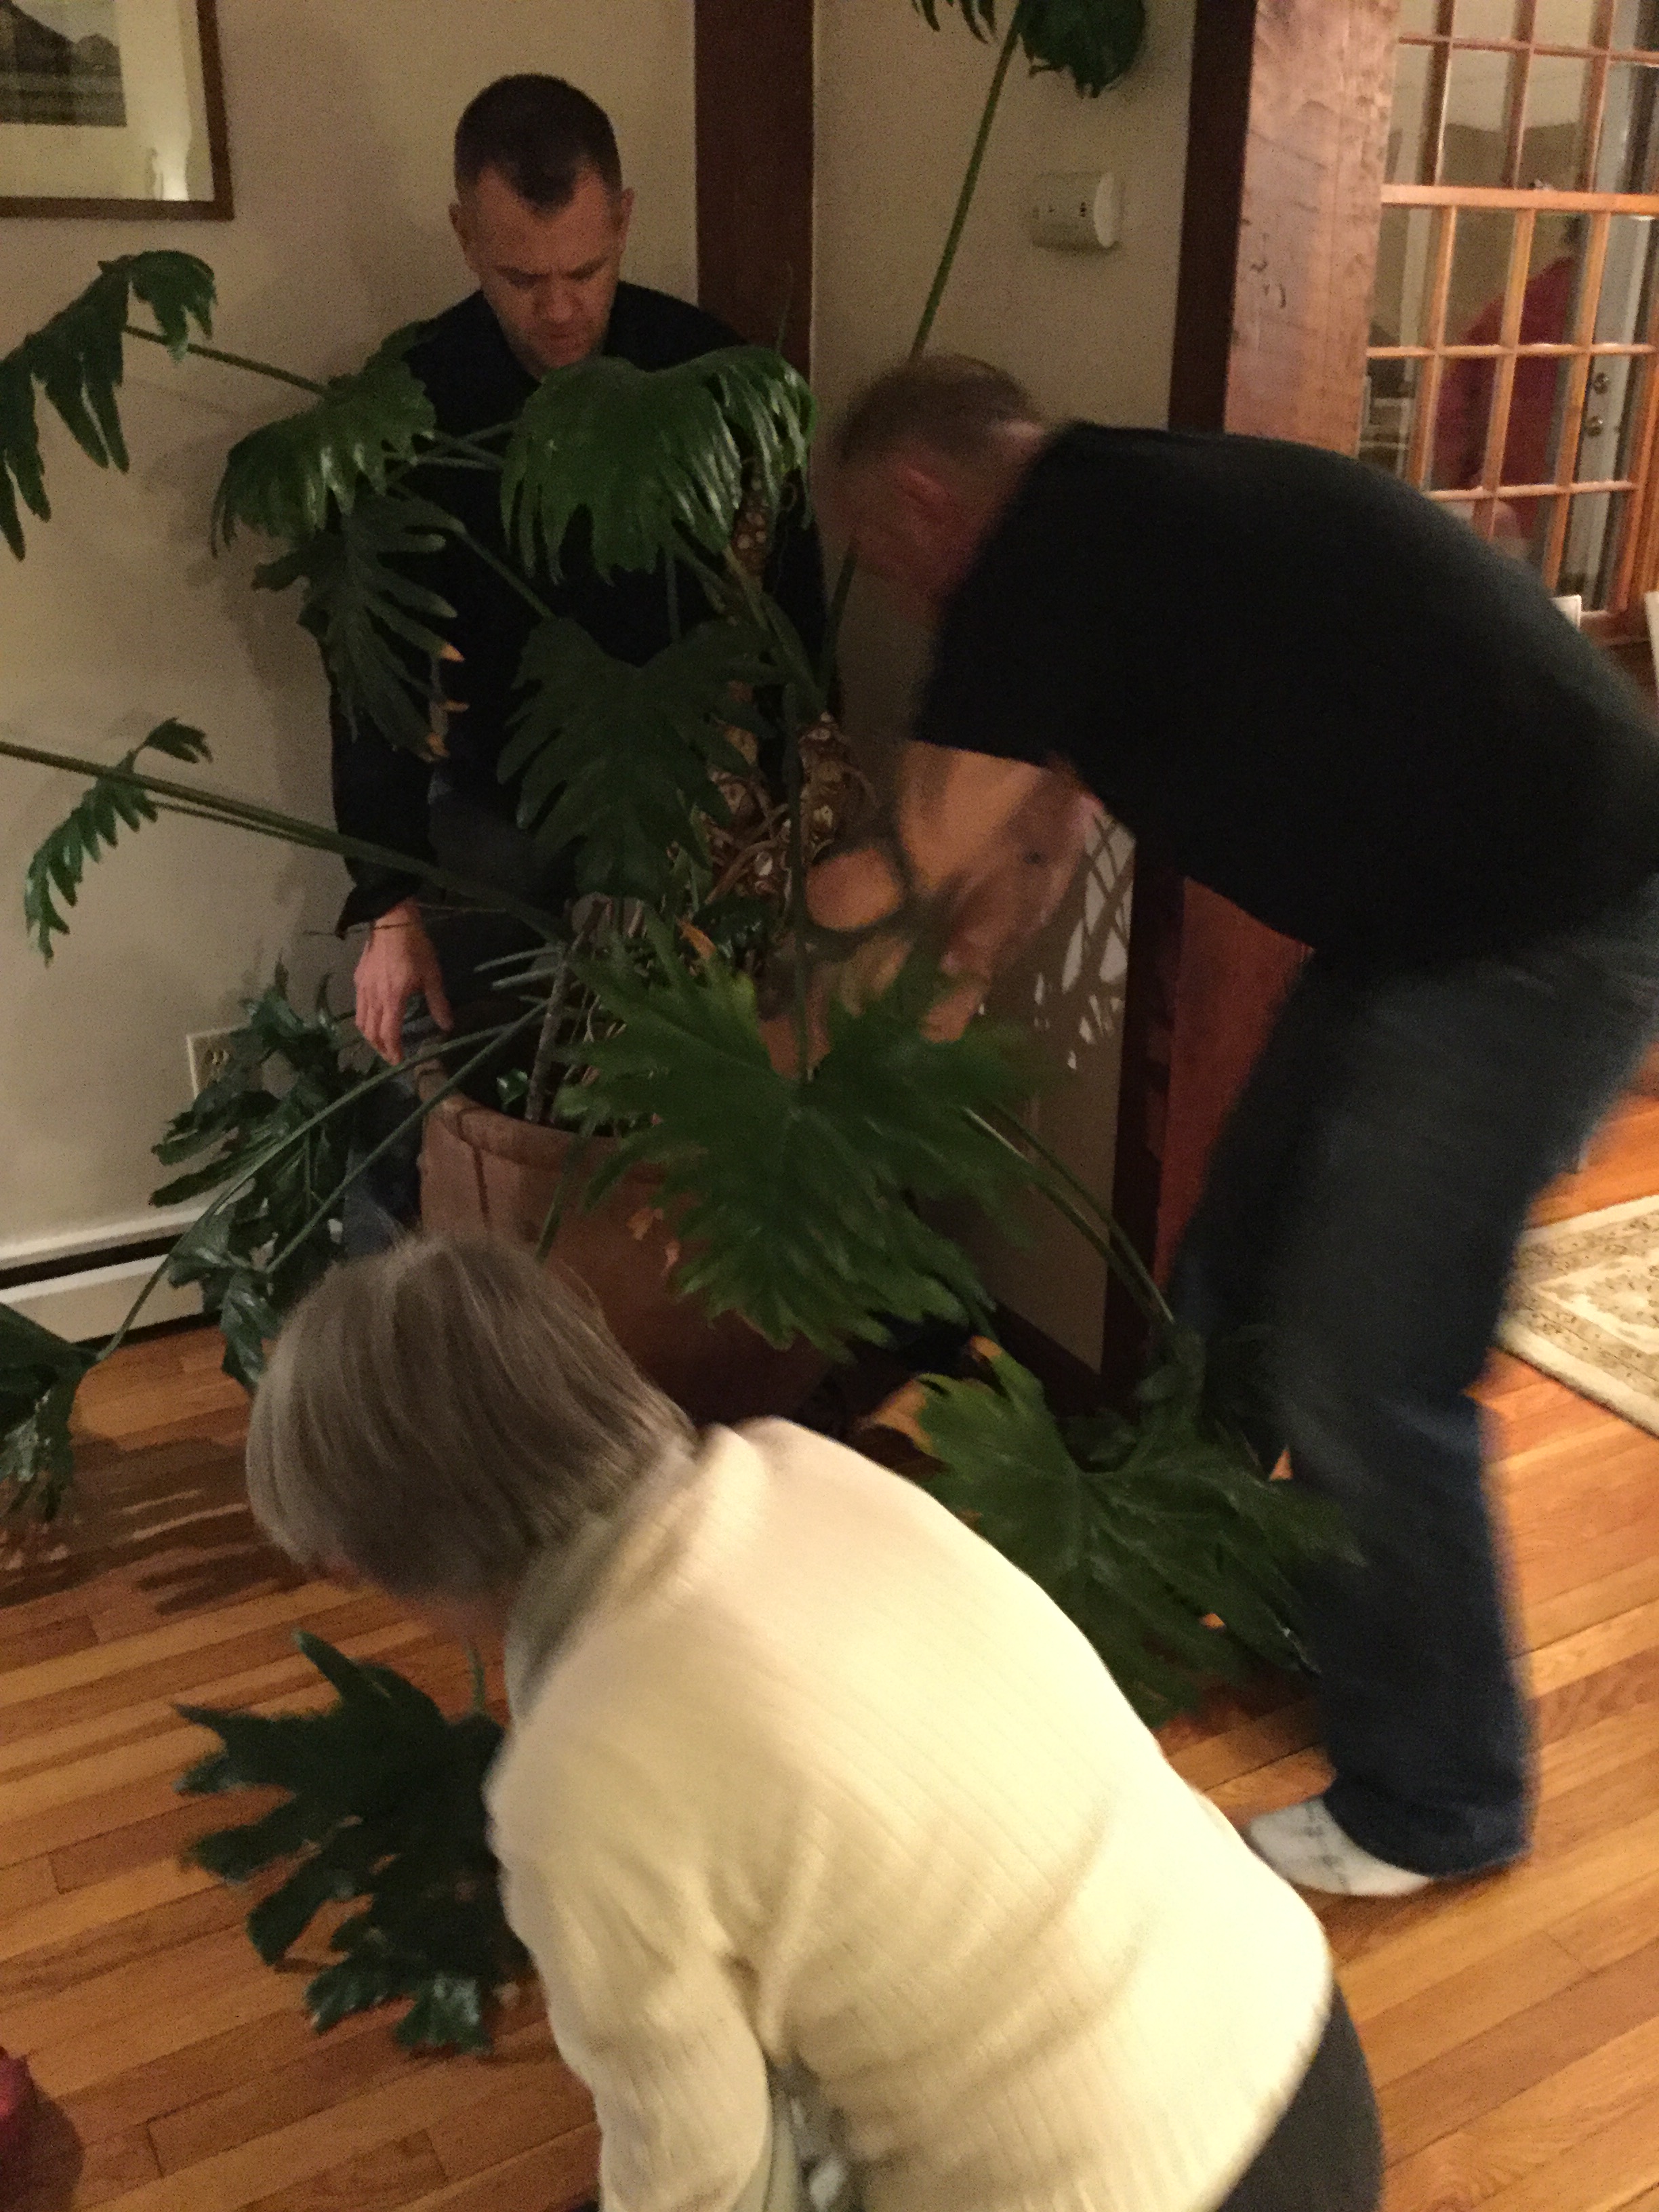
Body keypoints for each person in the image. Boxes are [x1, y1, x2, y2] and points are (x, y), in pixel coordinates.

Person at [804, 354, 1659, 1898]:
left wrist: (801, 1002)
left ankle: (1439, 1798)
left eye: (881, 555)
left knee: (1366, 1365)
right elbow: (1029, 843)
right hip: (1427, 924)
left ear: (922, 500)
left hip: (1548, 926)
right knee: (1233, 1278)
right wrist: (938, 998)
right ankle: (1185, 1595)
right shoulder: (1116, 524)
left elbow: (916, 854)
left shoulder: (1055, 544)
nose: (901, 597)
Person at [247, 1234, 1383, 2212]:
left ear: (390, 1555)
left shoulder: (578, 1778)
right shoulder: (802, 1471)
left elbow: (707, 2184)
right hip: (1298, 2040)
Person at [333, 76, 825, 1161]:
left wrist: (796, 836)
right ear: (464, 236)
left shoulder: (707, 372)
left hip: (693, 817)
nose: (559, 310)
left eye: (585, 272)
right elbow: (371, 664)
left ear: (626, 221)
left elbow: (793, 627)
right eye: (521, 279)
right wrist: (386, 903)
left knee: (704, 1123)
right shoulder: (411, 401)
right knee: (445, 1105)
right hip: (502, 802)